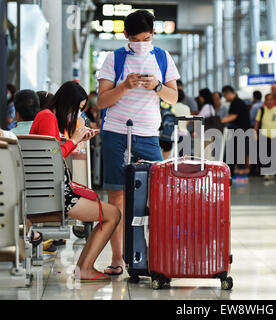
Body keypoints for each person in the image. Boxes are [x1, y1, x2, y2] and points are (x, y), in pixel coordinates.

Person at [96, 10, 180, 276]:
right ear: (126, 36)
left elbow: (174, 98)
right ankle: (118, 258)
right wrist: (124, 86)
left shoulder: (163, 57)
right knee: (117, 197)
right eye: (136, 38)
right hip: (116, 133)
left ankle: (157, 254)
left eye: (147, 38)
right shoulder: (114, 58)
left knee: (158, 196)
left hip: (148, 134)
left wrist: (156, 86)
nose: (142, 43)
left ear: (153, 34)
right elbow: (101, 101)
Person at [30, 81, 121, 281]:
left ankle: (84, 267)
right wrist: (74, 140)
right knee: (113, 214)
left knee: (111, 213)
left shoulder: (47, 117)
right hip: (56, 194)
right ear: (65, 103)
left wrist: (76, 140)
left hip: (54, 191)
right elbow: (51, 158)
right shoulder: (47, 117)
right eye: (76, 109)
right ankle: (85, 268)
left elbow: (52, 154)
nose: (76, 115)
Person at [221, 85, 251, 183]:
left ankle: (241, 177)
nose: (225, 98)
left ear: (229, 93)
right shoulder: (236, 102)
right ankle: (237, 175)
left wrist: (219, 121)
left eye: (225, 96)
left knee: (240, 154)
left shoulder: (237, 102)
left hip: (241, 132)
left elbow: (232, 117)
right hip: (239, 132)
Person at [254, 93, 276, 180]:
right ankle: (266, 172)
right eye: (267, 100)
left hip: (275, 135)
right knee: (264, 154)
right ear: (265, 101)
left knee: (275, 154)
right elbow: (257, 122)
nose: (269, 101)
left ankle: (275, 172)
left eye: (271, 99)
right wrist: (255, 133)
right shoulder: (261, 110)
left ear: (273, 101)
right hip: (264, 135)